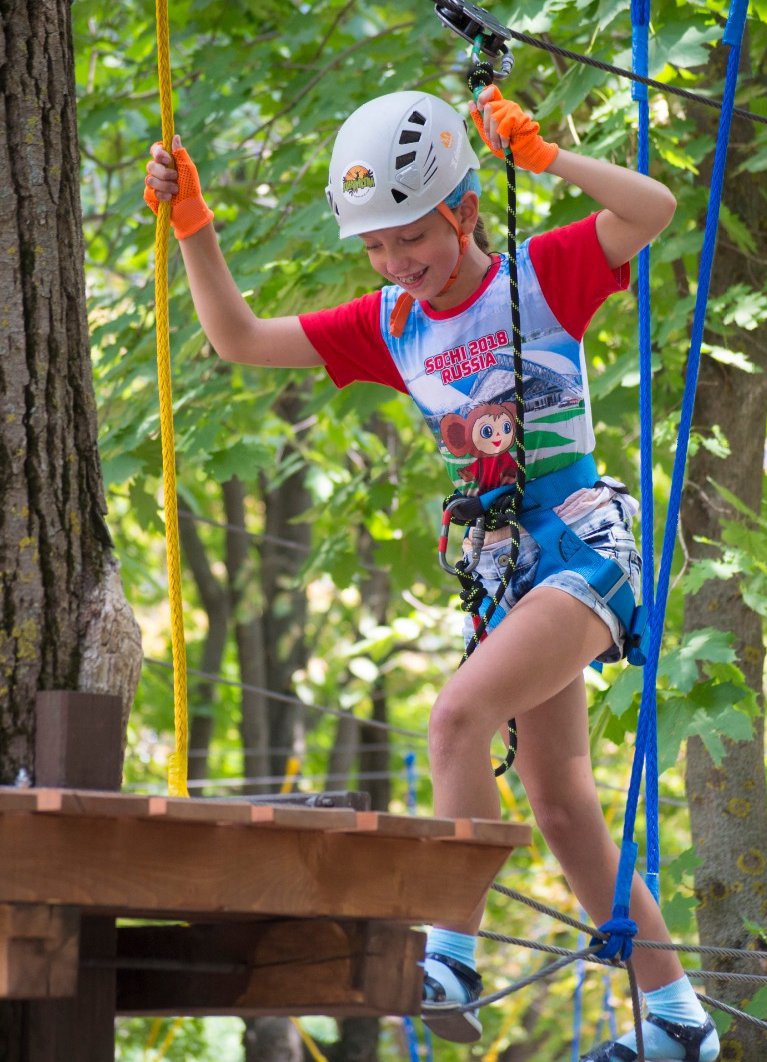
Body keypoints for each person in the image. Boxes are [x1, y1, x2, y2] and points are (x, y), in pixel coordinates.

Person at [145, 85, 720, 1061]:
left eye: (408, 236)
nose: (393, 262)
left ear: (460, 209)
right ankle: (678, 1023)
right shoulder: (392, 322)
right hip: (505, 568)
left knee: (454, 718)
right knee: (561, 801)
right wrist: (193, 225)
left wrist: (542, 160)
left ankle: (451, 952)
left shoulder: (540, 277)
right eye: (373, 246)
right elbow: (237, 340)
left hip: (580, 544)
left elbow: (654, 211)